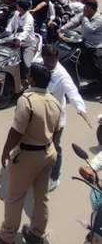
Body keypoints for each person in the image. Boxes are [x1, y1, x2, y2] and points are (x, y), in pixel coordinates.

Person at [0, 62, 61, 244]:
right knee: (42, 197)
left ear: (32, 79)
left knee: (14, 197)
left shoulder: (27, 101)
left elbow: (16, 132)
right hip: (48, 153)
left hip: (28, 155)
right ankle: (37, 235)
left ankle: (7, 238)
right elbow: (56, 132)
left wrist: (5, 152)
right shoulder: (54, 101)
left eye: (29, 74)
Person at [41, 43, 90, 192]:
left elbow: (72, 92)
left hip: (56, 118)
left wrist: (81, 108)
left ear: (57, 58)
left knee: (56, 147)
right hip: (41, 114)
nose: (49, 65)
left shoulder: (62, 75)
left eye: (52, 62)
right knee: (41, 143)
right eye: (46, 61)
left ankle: (54, 177)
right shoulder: (39, 64)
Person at [60, 0, 102, 97]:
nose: (85, 9)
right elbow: (73, 22)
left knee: (98, 66)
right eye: (85, 6)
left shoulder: (99, 20)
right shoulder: (84, 14)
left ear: (92, 9)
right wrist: (62, 29)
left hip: (96, 46)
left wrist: (85, 17)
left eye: (87, 7)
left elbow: (90, 28)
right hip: (84, 43)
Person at [6, 0, 38, 77]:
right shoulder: (16, 13)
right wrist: (7, 33)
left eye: (17, 5)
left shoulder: (29, 18)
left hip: (28, 44)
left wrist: (19, 40)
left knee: (27, 64)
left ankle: (29, 79)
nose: (16, 6)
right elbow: (11, 25)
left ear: (21, 8)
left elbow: (25, 32)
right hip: (15, 41)